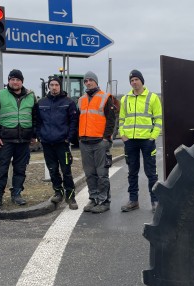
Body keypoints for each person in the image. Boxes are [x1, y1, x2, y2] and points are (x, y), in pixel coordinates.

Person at [0, 69, 36, 211]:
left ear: (22, 81)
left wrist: (33, 135)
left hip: (24, 141)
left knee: (20, 169)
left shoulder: (31, 96)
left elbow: (34, 117)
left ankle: (16, 194)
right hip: (5, 140)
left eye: (18, 79)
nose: (15, 82)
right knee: (1, 170)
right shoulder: (0, 95)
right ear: (8, 81)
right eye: (12, 79)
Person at [118, 70, 163, 213]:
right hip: (130, 141)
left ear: (142, 81)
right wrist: (123, 135)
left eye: (136, 79)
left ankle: (155, 201)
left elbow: (158, 119)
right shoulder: (125, 99)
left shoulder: (153, 98)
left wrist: (152, 137)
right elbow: (122, 119)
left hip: (147, 141)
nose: (134, 82)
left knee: (151, 172)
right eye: (131, 80)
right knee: (132, 172)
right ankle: (133, 200)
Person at [35, 77, 79, 210]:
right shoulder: (41, 103)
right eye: (51, 85)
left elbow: (73, 122)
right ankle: (58, 193)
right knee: (53, 170)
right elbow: (37, 122)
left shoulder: (68, 102)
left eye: (56, 85)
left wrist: (69, 138)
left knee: (66, 171)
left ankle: (70, 197)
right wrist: (40, 136)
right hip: (47, 144)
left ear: (60, 86)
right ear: (48, 86)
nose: (54, 87)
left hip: (62, 144)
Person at [78, 71, 117, 213]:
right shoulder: (81, 99)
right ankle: (93, 198)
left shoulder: (105, 98)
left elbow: (112, 120)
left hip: (100, 142)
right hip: (85, 142)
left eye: (90, 80)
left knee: (102, 174)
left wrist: (107, 138)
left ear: (96, 81)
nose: (88, 83)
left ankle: (104, 201)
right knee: (89, 173)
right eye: (86, 81)